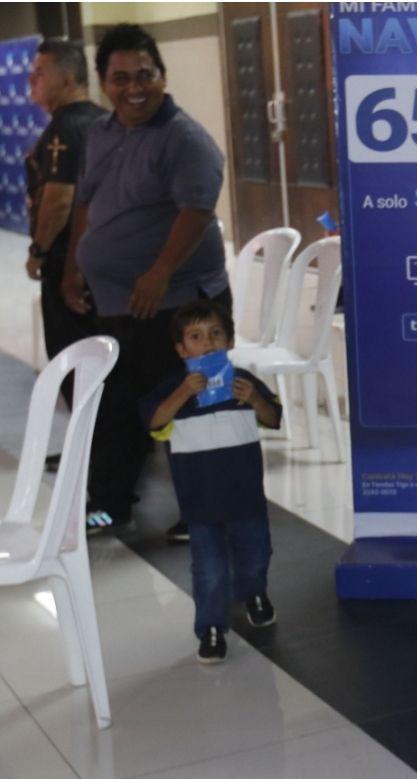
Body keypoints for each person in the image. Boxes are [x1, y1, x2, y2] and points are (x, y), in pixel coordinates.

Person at [61, 23, 230, 541]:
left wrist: (159, 273)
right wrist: (73, 266)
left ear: (162, 75)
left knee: (193, 405)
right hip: (118, 301)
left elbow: (196, 212)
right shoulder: (102, 132)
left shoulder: (185, 139)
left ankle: (209, 514)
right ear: (103, 82)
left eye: (145, 75)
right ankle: (110, 504)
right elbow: (86, 203)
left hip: (179, 301)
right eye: (121, 78)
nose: (135, 87)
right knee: (117, 404)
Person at [140, 300, 281, 663]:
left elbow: (274, 418)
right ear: (181, 349)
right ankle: (212, 628)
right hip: (200, 503)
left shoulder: (244, 383)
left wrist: (255, 400)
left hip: (246, 496)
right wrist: (183, 393)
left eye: (216, 334)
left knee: (255, 555)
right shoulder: (173, 389)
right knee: (210, 570)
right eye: (196, 336)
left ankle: (254, 593)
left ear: (230, 341)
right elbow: (154, 420)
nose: (207, 343)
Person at [25, 39, 105, 418]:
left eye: (41, 73)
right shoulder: (103, 121)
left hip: (68, 263)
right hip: (102, 258)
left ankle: (90, 439)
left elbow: (58, 200)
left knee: (73, 353)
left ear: (69, 78)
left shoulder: (65, 128)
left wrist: (38, 251)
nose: (31, 81)